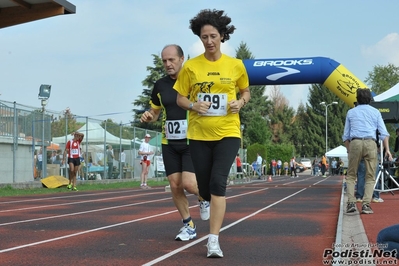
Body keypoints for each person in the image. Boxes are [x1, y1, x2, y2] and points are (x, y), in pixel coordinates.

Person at [174, 8, 250, 258]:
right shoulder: (191, 67)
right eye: (204, 37)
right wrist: (194, 105)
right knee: (204, 186)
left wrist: (241, 102)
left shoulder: (236, 65)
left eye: (213, 36)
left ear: (222, 36)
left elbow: (245, 92)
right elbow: (180, 98)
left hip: (228, 132)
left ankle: (213, 239)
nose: (209, 41)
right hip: (198, 133)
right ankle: (203, 198)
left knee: (218, 183)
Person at [139, 44, 210, 241]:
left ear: (182, 59)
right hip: (169, 142)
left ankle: (205, 196)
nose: (168, 64)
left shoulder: (195, 81)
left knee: (188, 184)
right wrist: (148, 116)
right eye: (164, 61)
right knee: (175, 185)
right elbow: (155, 113)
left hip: (191, 140)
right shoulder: (160, 85)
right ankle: (189, 225)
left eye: (171, 60)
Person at [342, 88, 391, 214]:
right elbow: (384, 132)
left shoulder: (351, 112)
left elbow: (346, 135)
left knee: (352, 175)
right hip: (370, 143)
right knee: (370, 176)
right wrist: (387, 150)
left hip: (356, 142)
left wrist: (349, 149)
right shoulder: (375, 112)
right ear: (370, 99)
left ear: (357, 99)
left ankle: (351, 203)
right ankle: (366, 205)